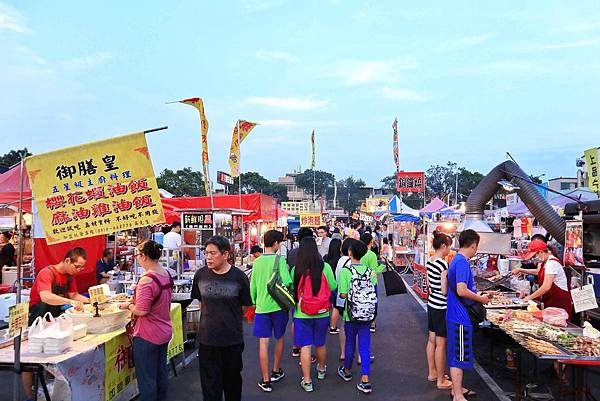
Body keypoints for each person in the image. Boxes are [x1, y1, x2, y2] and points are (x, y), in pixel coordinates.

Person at [191, 236, 252, 401]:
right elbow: (200, 302)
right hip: (207, 340)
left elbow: (245, 306)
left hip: (232, 340)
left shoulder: (239, 277)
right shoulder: (201, 275)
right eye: (206, 253)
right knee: (210, 387)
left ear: (225, 255)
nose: (208, 257)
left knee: (232, 384)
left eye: (213, 253)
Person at [24, 248, 90, 400]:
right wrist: (71, 302)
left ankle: (48, 389)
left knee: (52, 356)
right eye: (77, 266)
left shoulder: (69, 276)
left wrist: (92, 300)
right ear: (67, 260)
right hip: (38, 319)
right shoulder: (46, 273)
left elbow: (74, 295)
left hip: (56, 320)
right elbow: (46, 296)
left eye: (82, 267)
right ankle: (28, 395)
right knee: (32, 359)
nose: (79, 270)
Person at [120, 240, 173, 401]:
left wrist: (129, 305)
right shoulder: (166, 273)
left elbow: (142, 310)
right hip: (164, 331)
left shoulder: (147, 280)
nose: (136, 258)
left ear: (143, 256)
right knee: (160, 374)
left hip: (147, 335)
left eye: (136, 255)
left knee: (147, 380)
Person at [446, 229, 490, 401]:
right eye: (476, 247)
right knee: (459, 355)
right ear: (473, 245)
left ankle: (457, 389)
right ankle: (457, 395)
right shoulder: (462, 262)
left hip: (455, 314)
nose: (476, 251)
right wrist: (481, 299)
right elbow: (462, 290)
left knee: (457, 353)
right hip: (460, 317)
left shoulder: (455, 260)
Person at [291, 237, 337, 392]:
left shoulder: (296, 269)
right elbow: (333, 286)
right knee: (320, 343)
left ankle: (307, 380)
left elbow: (292, 289)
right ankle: (322, 370)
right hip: (322, 313)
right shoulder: (326, 268)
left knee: (305, 346)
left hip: (302, 313)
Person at [250, 230, 292, 392]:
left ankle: (266, 380)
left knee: (263, 342)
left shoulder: (257, 261)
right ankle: (276, 370)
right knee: (279, 338)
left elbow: (252, 286)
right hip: (279, 307)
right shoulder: (279, 260)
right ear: (275, 244)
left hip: (261, 307)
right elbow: (287, 281)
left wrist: (254, 302)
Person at [337, 239, 377, 394]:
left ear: (349, 253)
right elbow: (373, 288)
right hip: (367, 313)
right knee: (365, 346)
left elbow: (343, 294)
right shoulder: (369, 271)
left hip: (351, 314)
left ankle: (346, 370)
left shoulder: (346, 272)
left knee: (350, 343)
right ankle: (365, 380)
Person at [513, 239, 574, 320]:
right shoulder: (545, 262)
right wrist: (521, 270)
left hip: (559, 304)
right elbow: (538, 272)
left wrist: (529, 298)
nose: (534, 258)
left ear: (541, 252)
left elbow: (546, 287)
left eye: (535, 256)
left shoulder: (552, 263)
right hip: (550, 301)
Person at [425, 231, 453, 390]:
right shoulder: (443, 264)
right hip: (442, 305)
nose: (450, 249)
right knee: (441, 343)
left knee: (432, 340)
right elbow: (444, 290)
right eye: (449, 246)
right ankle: (441, 380)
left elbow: (431, 286)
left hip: (432, 303)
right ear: (443, 246)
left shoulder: (430, 261)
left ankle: (433, 373)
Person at [335, 238, 356, 361]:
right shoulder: (352, 262)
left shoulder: (340, 261)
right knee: (356, 327)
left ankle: (343, 353)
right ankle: (357, 355)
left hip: (340, 298)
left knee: (343, 326)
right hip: (352, 299)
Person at [360, 233, 386, 333]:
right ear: (370, 242)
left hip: (359, 282)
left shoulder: (358, 252)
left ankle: (361, 318)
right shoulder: (371, 254)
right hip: (371, 283)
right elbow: (374, 271)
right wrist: (382, 267)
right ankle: (372, 323)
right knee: (372, 303)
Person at [324, 238, 342, 334]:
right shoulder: (340, 259)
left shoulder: (326, 258)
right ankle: (333, 326)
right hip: (335, 284)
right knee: (336, 307)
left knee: (327, 306)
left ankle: (327, 324)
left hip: (325, 285)